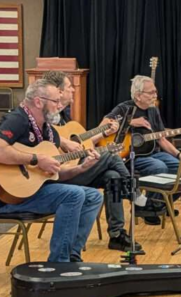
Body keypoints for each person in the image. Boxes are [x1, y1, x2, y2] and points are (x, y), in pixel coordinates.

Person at [0, 79, 103, 263]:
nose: (60, 106)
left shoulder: (48, 129)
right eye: (55, 101)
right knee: (74, 195)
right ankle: (59, 263)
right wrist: (36, 159)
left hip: (35, 191)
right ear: (38, 102)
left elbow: (55, 175)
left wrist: (80, 168)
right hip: (8, 197)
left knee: (94, 196)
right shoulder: (17, 119)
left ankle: (72, 256)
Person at [43, 70, 142, 252]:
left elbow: (80, 144)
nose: (73, 90)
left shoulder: (63, 115)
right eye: (69, 87)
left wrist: (104, 133)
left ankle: (117, 234)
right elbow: (45, 141)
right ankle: (133, 190)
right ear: (58, 91)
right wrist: (63, 142)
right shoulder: (43, 115)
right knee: (110, 153)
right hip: (58, 174)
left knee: (113, 177)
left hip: (74, 165)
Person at [103, 75, 180, 225]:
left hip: (153, 153)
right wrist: (130, 121)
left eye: (155, 92)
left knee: (179, 166)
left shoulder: (153, 110)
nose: (155, 95)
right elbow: (104, 125)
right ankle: (147, 208)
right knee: (158, 167)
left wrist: (178, 154)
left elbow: (161, 139)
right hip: (131, 157)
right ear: (138, 95)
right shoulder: (124, 108)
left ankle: (157, 204)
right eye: (151, 92)